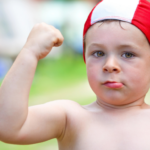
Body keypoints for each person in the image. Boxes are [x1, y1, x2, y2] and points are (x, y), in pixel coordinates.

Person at [0, 0, 150, 149]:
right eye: (98, 53)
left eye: (128, 54)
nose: (110, 65)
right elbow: (8, 127)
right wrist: (29, 53)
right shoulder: (70, 118)